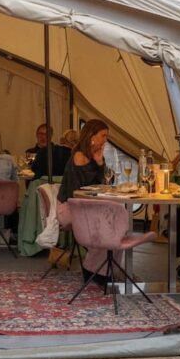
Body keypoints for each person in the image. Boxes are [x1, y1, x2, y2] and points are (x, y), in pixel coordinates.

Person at [56, 119, 111, 282]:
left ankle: (99, 270)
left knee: (112, 225)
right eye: (103, 135)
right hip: (70, 208)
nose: (106, 139)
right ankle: (94, 270)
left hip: (88, 207)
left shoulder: (96, 157)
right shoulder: (78, 156)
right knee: (103, 227)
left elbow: (105, 184)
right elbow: (75, 192)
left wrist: (100, 163)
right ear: (92, 136)